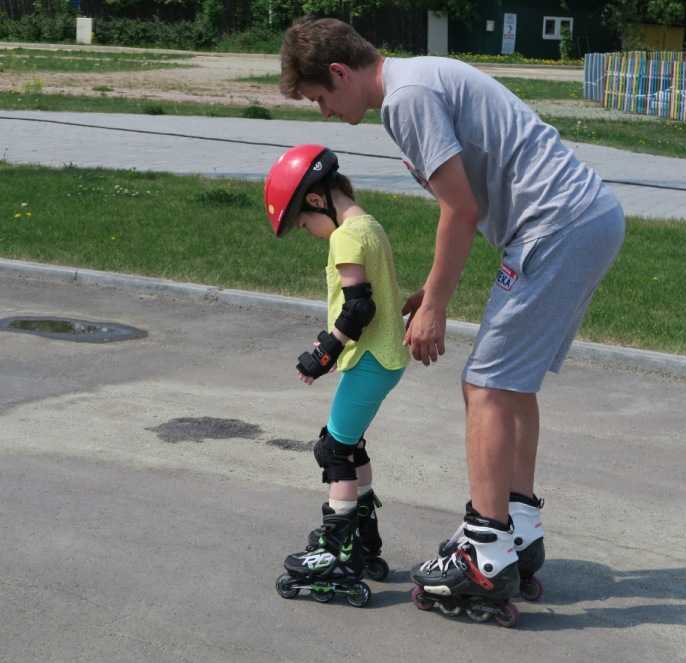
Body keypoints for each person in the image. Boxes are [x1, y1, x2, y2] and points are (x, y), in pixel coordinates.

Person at [278, 18, 626, 625]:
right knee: (510, 384)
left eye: (321, 100)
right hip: (583, 216)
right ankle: (519, 527)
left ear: (339, 73)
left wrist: (438, 304)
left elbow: (459, 209)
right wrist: (429, 290)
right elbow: (470, 202)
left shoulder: (406, 101)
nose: (327, 113)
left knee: (484, 385)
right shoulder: (418, 81)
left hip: (557, 224)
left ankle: (484, 553)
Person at [265, 144, 409, 607]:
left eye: (304, 225)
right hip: (385, 359)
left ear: (314, 201)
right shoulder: (370, 225)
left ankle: (337, 553)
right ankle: (364, 539)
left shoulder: (345, 236)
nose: (308, 232)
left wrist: (323, 353)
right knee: (352, 444)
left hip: (368, 361)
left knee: (334, 450)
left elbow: (358, 307)